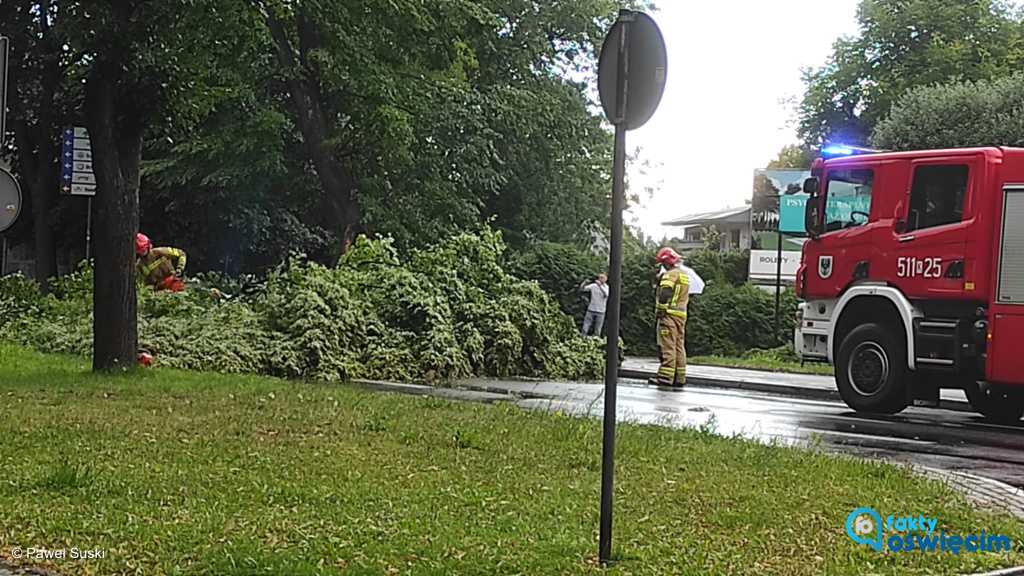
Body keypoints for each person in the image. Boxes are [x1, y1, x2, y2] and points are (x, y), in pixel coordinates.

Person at [650, 247, 697, 387]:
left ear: (666, 262)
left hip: (668, 315)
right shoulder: (684, 275)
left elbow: (666, 292)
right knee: (679, 346)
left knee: (667, 346)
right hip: (681, 316)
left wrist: (660, 309)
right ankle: (679, 377)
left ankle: (665, 378)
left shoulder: (670, 275)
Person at [579, 273, 609, 337]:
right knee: (585, 326)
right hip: (591, 309)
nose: (600, 279)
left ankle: (596, 341)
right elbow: (583, 289)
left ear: (606, 279)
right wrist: (584, 283)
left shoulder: (606, 287)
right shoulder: (593, 286)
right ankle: (582, 338)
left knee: (598, 329)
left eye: (602, 277)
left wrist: (600, 286)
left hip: (601, 311)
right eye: (599, 277)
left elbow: (606, 294)